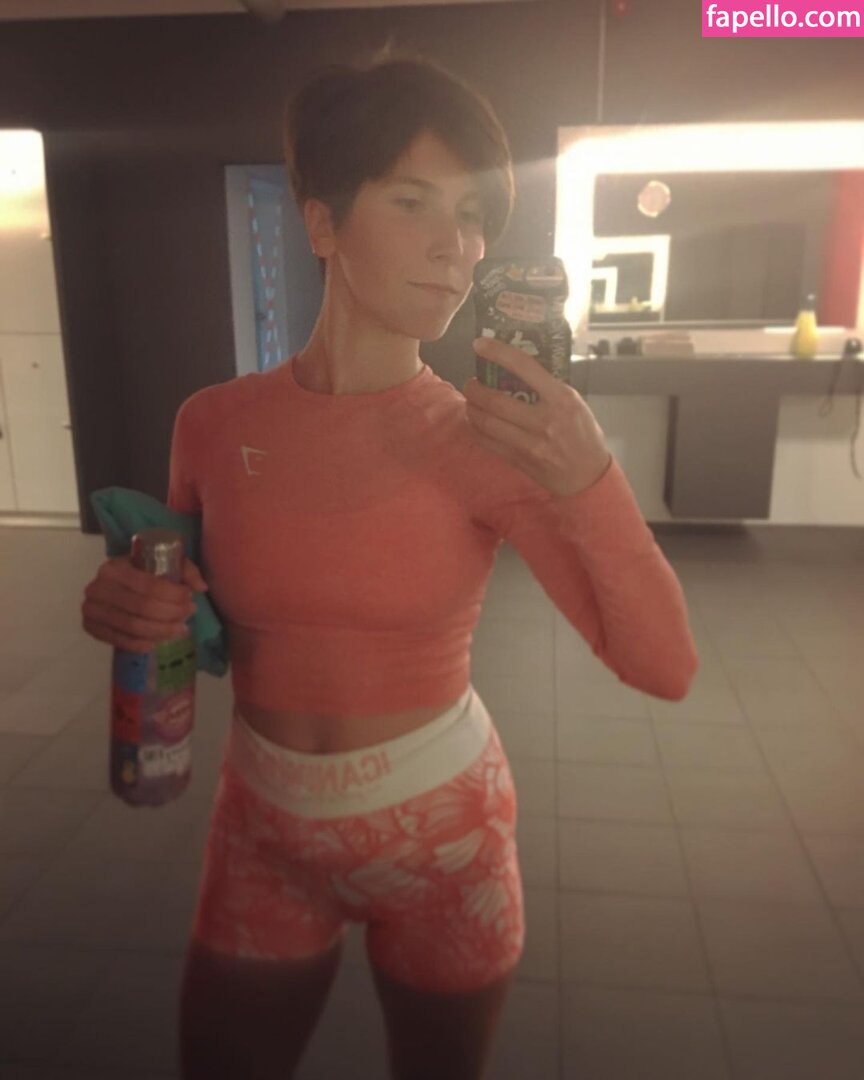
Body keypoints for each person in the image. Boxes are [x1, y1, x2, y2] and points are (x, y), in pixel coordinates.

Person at [80, 41, 699, 1080]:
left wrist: (591, 476)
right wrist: (133, 612)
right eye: (414, 203)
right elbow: (193, 622)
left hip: (448, 839)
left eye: (474, 215)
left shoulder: (485, 441)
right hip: (261, 831)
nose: (457, 246)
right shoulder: (211, 424)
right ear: (322, 222)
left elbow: (664, 666)